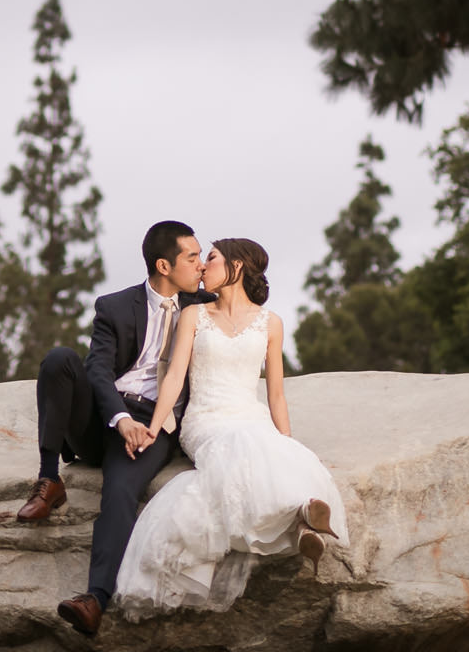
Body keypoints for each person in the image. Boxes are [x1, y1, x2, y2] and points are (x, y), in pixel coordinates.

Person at [109, 237, 347, 620]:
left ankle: (303, 521)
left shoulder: (271, 323)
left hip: (247, 413)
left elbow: (276, 395)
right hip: (206, 420)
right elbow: (173, 378)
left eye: (213, 259)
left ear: (236, 267)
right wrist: (153, 426)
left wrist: (287, 444)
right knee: (240, 443)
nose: (203, 266)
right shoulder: (194, 316)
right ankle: (298, 516)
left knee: (268, 446)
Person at [16, 220, 215, 638]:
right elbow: (98, 371)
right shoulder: (115, 306)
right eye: (192, 257)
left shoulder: (205, 306)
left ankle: (94, 598)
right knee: (58, 360)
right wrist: (120, 420)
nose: (200, 264)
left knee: (121, 491)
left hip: (154, 423)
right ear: (164, 264)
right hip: (105, 418)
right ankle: (49, 478)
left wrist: (144, 426)